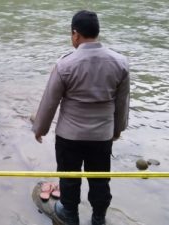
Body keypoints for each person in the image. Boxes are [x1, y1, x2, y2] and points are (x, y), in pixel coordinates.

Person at [32, 10, 130, 225]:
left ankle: (69, 214)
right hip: (102, 135)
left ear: (75, 34)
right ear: (96, 32)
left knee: (69, 176)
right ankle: (98, 217)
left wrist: (40, 129)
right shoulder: (120, 62)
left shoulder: (65, 64)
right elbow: (122, 103)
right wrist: (117, 130)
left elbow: (50, 101)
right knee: (100, 178)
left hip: (70, 136)